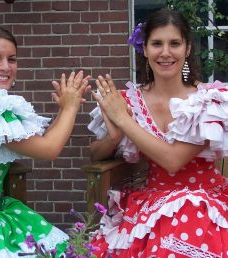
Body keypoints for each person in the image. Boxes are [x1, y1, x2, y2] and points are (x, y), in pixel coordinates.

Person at [88, 8, 228, 257]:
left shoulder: (208, 101)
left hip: (205, 201)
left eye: (174, 43)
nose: (165, 52)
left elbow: (172, 160)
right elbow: (95, 155)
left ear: (187, 49)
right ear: (145, 49)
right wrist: (114, 136)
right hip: (151, 201)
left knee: (187, 213)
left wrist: (123, 120)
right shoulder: (129, 100)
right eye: (157, 44)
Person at [0, 25, 90, 257]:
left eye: (12, 59)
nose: (5, 67)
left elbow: (40, 141)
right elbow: (48, 149)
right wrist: (72, 107)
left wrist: (64, 109)